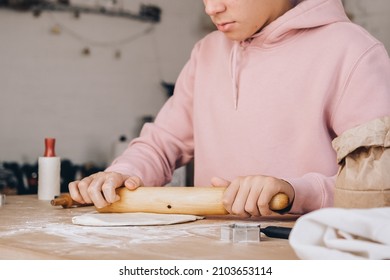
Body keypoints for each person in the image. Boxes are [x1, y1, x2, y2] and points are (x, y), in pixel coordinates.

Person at [69, 0, 390, 216]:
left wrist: (295, 192)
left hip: (304, 256)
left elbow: (379, 189)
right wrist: (124, 173)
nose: (211, 7)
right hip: (210, 251)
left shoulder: (352, 51)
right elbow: (162, 142)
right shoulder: (206, 52)